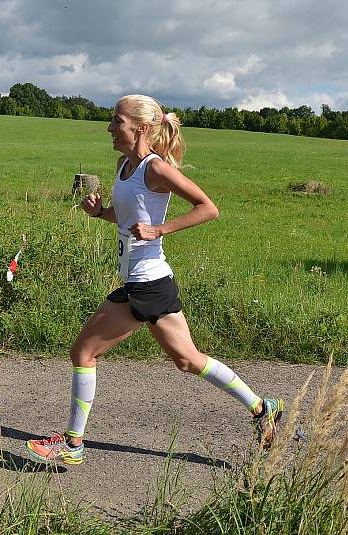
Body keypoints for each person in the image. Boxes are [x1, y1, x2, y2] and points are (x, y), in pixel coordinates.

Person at [25, 94, 283, 465]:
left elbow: (208, 208)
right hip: (143, 283)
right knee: (188, 361)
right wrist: (102, 214)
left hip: (148, 283)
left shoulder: (155, 168)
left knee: (84, 352)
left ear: (141, 127)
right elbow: (131, 216)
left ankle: (73, 443)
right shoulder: (124, 165)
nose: (110, 128)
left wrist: (161, 229)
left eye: (117, 121)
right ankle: (262, 408)